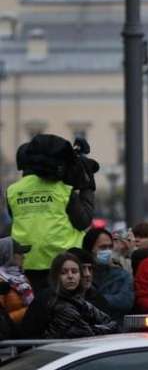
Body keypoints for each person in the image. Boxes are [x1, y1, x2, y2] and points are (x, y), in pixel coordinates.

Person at [6, 134, 96, 291]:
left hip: (26, 263)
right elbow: (83, 221)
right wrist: (87, 185)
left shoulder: (12, 191)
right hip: (63, 264)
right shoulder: (62, 190)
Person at [20, 252, 117, 339]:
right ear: (56, 276)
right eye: (64, 272)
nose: (70, 276)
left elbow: (110, 323)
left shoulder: (79, 300)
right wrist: (98, 329)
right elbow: (84, 333)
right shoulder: (51, 300)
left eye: (74, 271)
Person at [81, 228, 134, 320]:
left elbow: (126, 301)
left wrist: (100, 300)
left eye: (110, 247)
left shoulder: (121, 275)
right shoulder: (81, 275)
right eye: (103, 247)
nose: (108, 251)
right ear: (90, 249)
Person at [0, 238, 34, 324]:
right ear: (9, 255)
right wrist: (28, 312)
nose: (24, 256)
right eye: (20, 253)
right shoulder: (1, 280)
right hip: (8, 334)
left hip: (25, 328)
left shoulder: (21, 277)